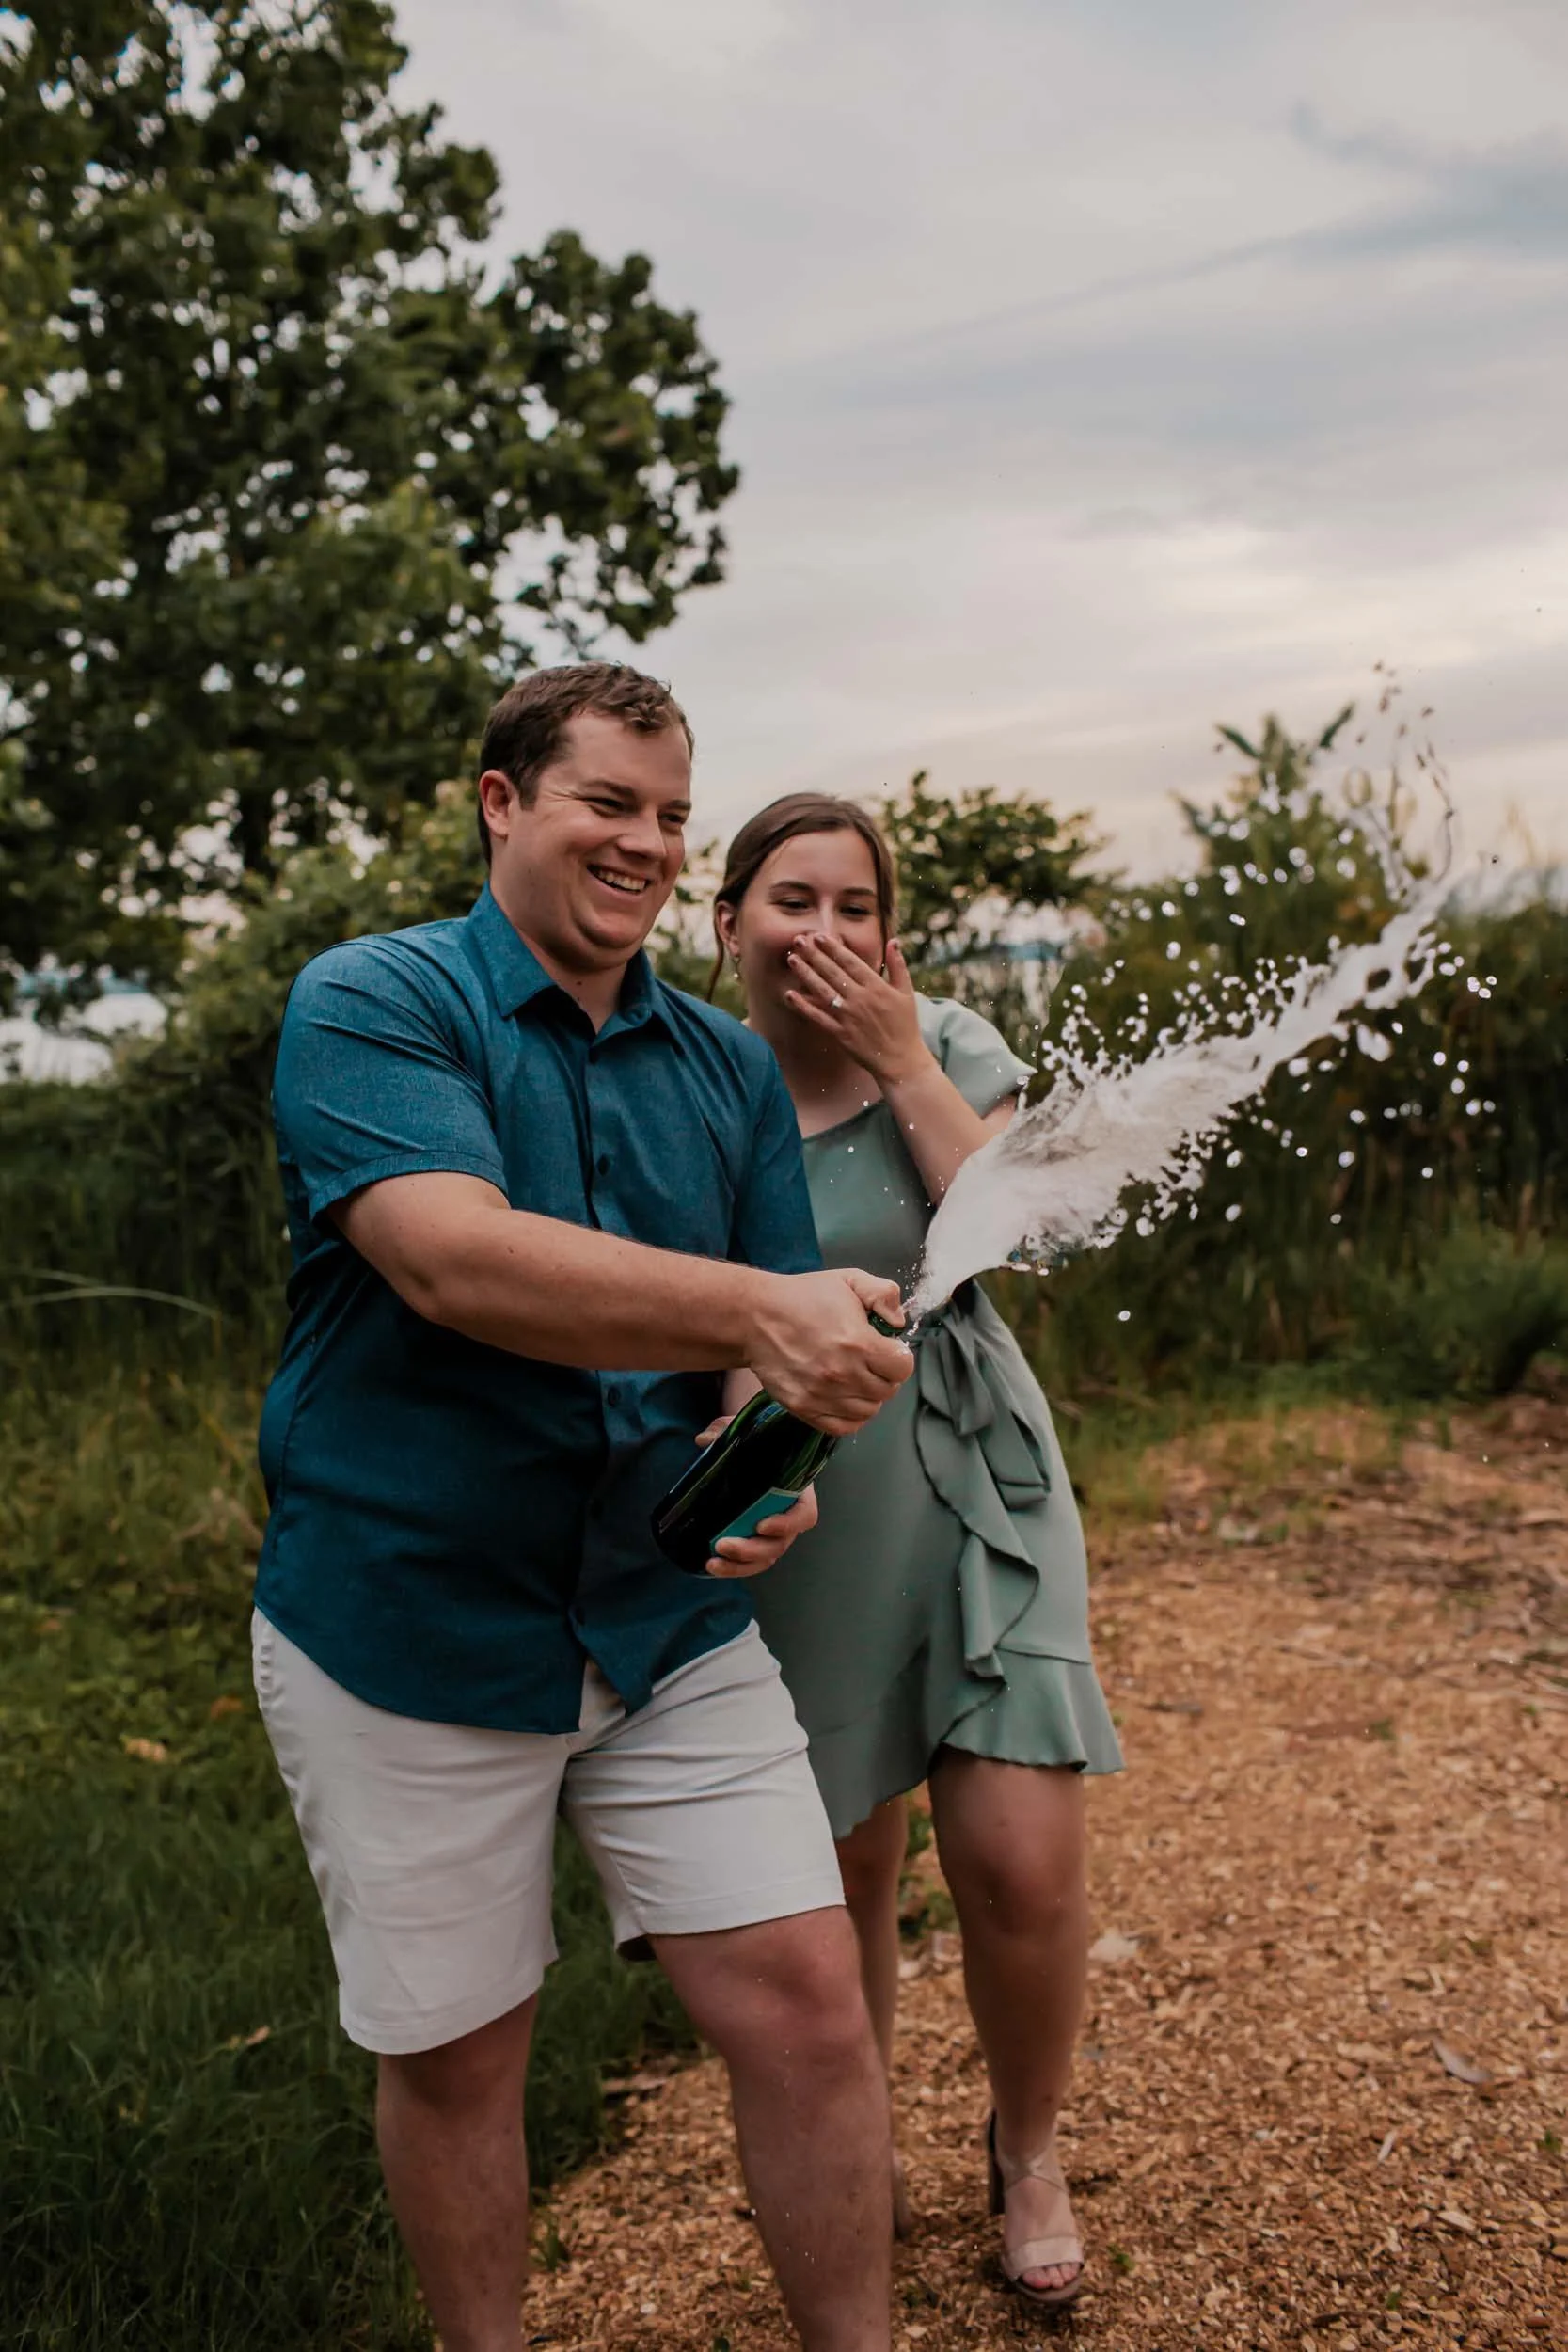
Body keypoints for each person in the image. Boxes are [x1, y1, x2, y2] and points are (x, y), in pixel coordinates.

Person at [250, 669, 914, 2352]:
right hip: (406, 1621)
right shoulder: (373, 999)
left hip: (663, 1615)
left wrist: (768, 1460)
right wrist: (764, 1319)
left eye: (672, 815)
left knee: (810, 2004)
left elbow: (758, 1345)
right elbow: (453, 1260)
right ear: (501, 803)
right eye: (607, 802)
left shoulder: (724, 1067)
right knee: (462, 2060)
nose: (647, 844)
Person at [708, 791, 1123, 2312]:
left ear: (891, 931)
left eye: (856, 905)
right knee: (845, 1855)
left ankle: (1027, 2148)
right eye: (792, 901)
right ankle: (854, 2126)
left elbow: (1021, 1235)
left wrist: (899, 1061)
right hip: (808, 1486)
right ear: (728, 924)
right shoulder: (692, 1077)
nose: (825, 931)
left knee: (1016, 1856)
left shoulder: (941, 1039)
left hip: (968, 1463)